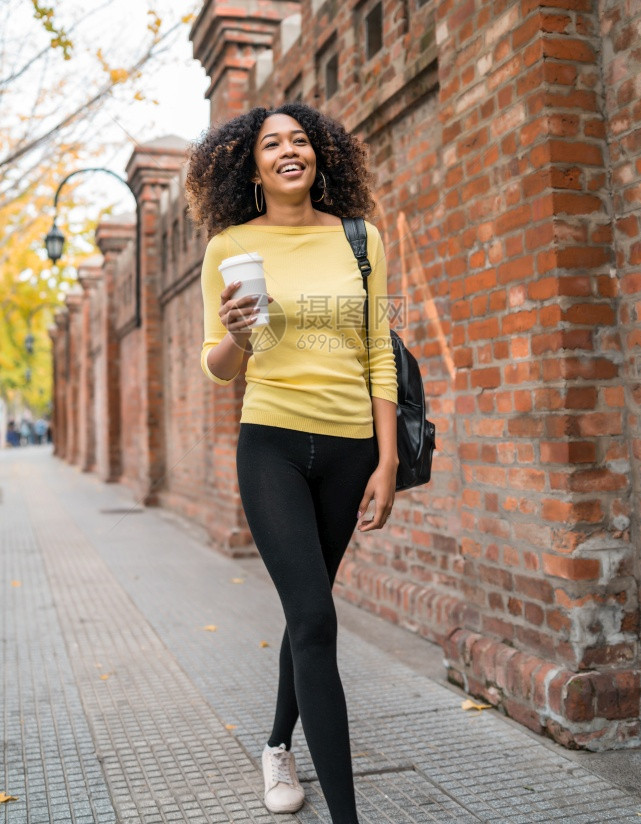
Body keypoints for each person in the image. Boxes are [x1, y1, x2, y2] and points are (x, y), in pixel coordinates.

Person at [186, 103, 398, 824]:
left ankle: (276, 743)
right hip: (271, 441)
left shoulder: (359, 239)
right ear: (250, 165)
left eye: (299, 140)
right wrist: (239, 335)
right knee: (313, 615)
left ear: (320, 156)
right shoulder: (229, 246)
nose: (288, 151)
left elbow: (377, 351)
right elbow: (216, 368)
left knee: (307, 615)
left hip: (351, 451)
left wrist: (388, 459)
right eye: (271, 143)